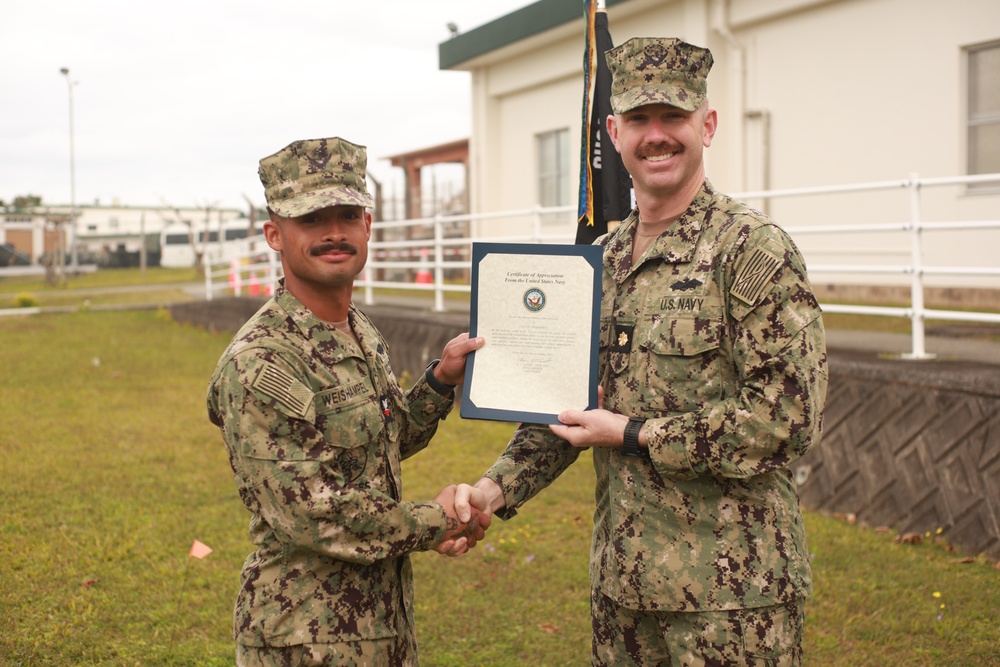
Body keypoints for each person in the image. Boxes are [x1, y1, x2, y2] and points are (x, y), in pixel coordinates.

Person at [456, 37, 828, 666]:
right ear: (614, 132)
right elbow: (566, 413)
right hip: (623, 597)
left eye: (673, 117)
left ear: (705, 126)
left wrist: (634, 433)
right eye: (638, 119)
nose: (657, 135)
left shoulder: (751, 251)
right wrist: (490, 494)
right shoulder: (596, 264)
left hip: (730, 600)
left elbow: (785, 420)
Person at [207, 136, 490, 666]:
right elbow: (316, 512)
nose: (333, 232)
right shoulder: (262, 363)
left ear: (366, 226)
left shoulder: (355, 328)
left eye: (346, 214)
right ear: (274, 234)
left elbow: (379, 443)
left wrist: (441, 381)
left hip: (380, 626)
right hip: (305, 638)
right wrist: (439, 521)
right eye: (312, 219)